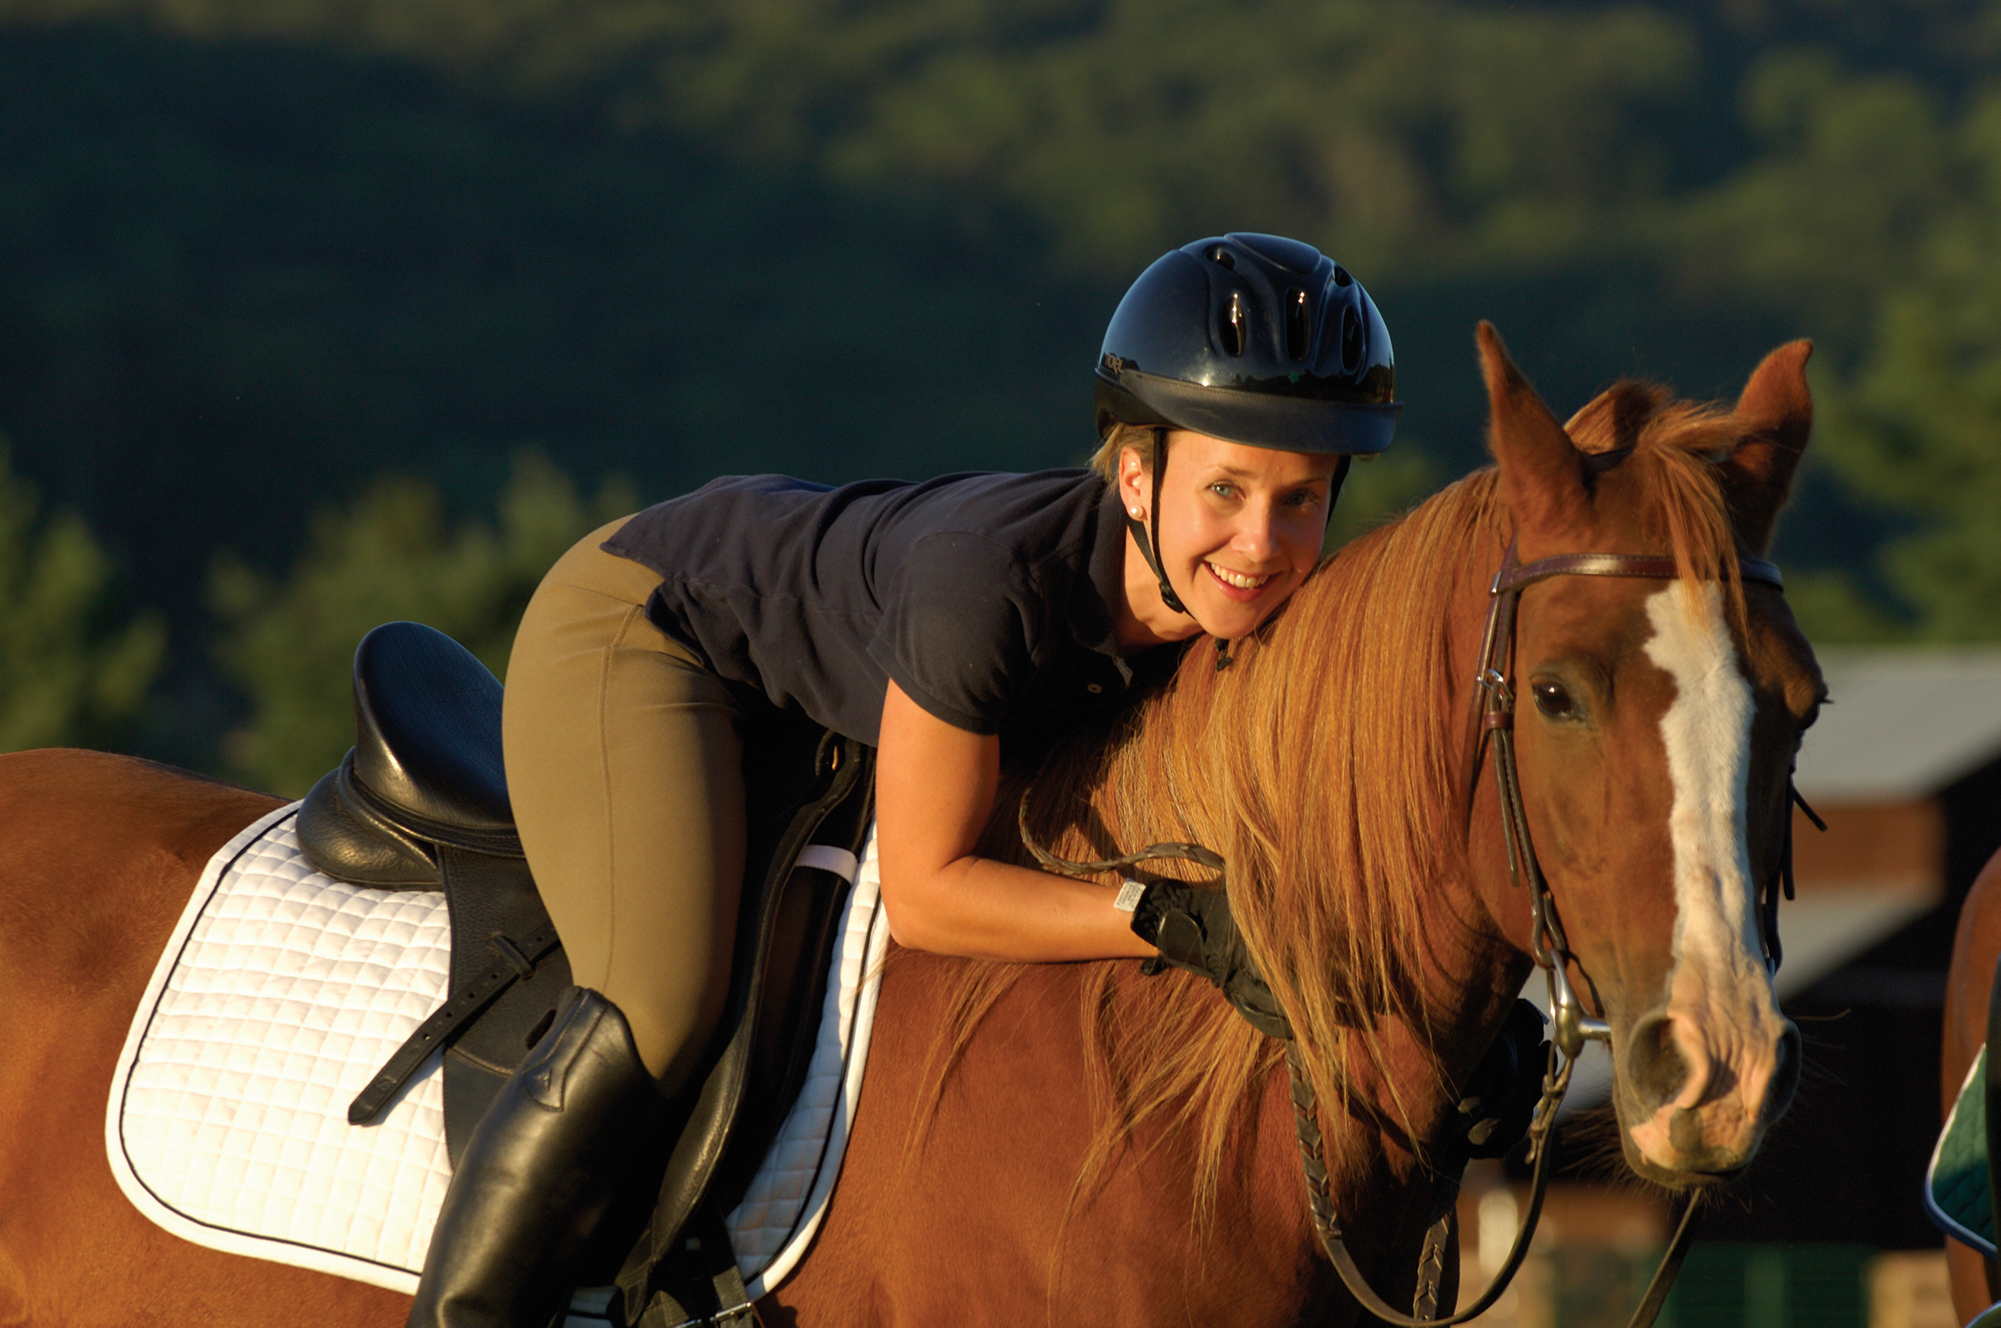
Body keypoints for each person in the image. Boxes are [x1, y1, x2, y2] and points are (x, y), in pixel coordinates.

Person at [405, 231, 1401, 1328]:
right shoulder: (995, 590)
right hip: (645, 628)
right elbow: (928, 895)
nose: (1262, 545)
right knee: (663, 1000)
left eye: (1300, 499)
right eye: (1226, 490)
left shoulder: (1246, 607)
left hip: (808, 626)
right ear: (1134, 472)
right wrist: (1169, 919)